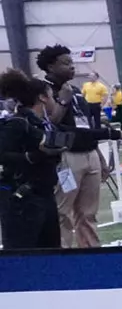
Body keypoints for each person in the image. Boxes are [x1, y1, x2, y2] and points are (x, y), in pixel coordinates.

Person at [38, 46, 122, 247]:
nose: (72, 67)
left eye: (71, 62)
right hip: (66, 157)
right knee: (62, 212)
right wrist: (62, 101)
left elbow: (86, 126)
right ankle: (62, 253)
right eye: (65, 63)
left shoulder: (76, 91)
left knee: (88, 212)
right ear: (50, 66)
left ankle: (91, 253)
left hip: (89, 153)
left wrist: (99, 156)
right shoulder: (44, 91)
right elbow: (51, 125)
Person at [0, 70, 68, 248]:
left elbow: (72, 136)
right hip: (22, 198)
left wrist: (111, 134)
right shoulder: (17, 123)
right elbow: (2, 155)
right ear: (42, 98)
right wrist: (33, 156)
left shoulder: (40, 124)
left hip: (45, 194)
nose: (54, 101)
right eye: (52, 97)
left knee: (51, 251)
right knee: (22, 253)